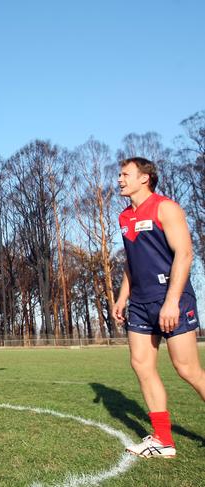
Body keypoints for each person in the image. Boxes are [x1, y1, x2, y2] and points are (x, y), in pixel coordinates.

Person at [113, 157, 204, 458]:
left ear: (145, 178)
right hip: (139, 303)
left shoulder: (166, 208)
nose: (120, 179)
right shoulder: (124, 217)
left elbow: (185, 254)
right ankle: (164, 441)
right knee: (141, 365)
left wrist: (171, 302)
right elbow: (131, 262)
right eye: (120, 175)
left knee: (187, 368)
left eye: (125, 174)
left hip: (171, 299)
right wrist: (122, 297)